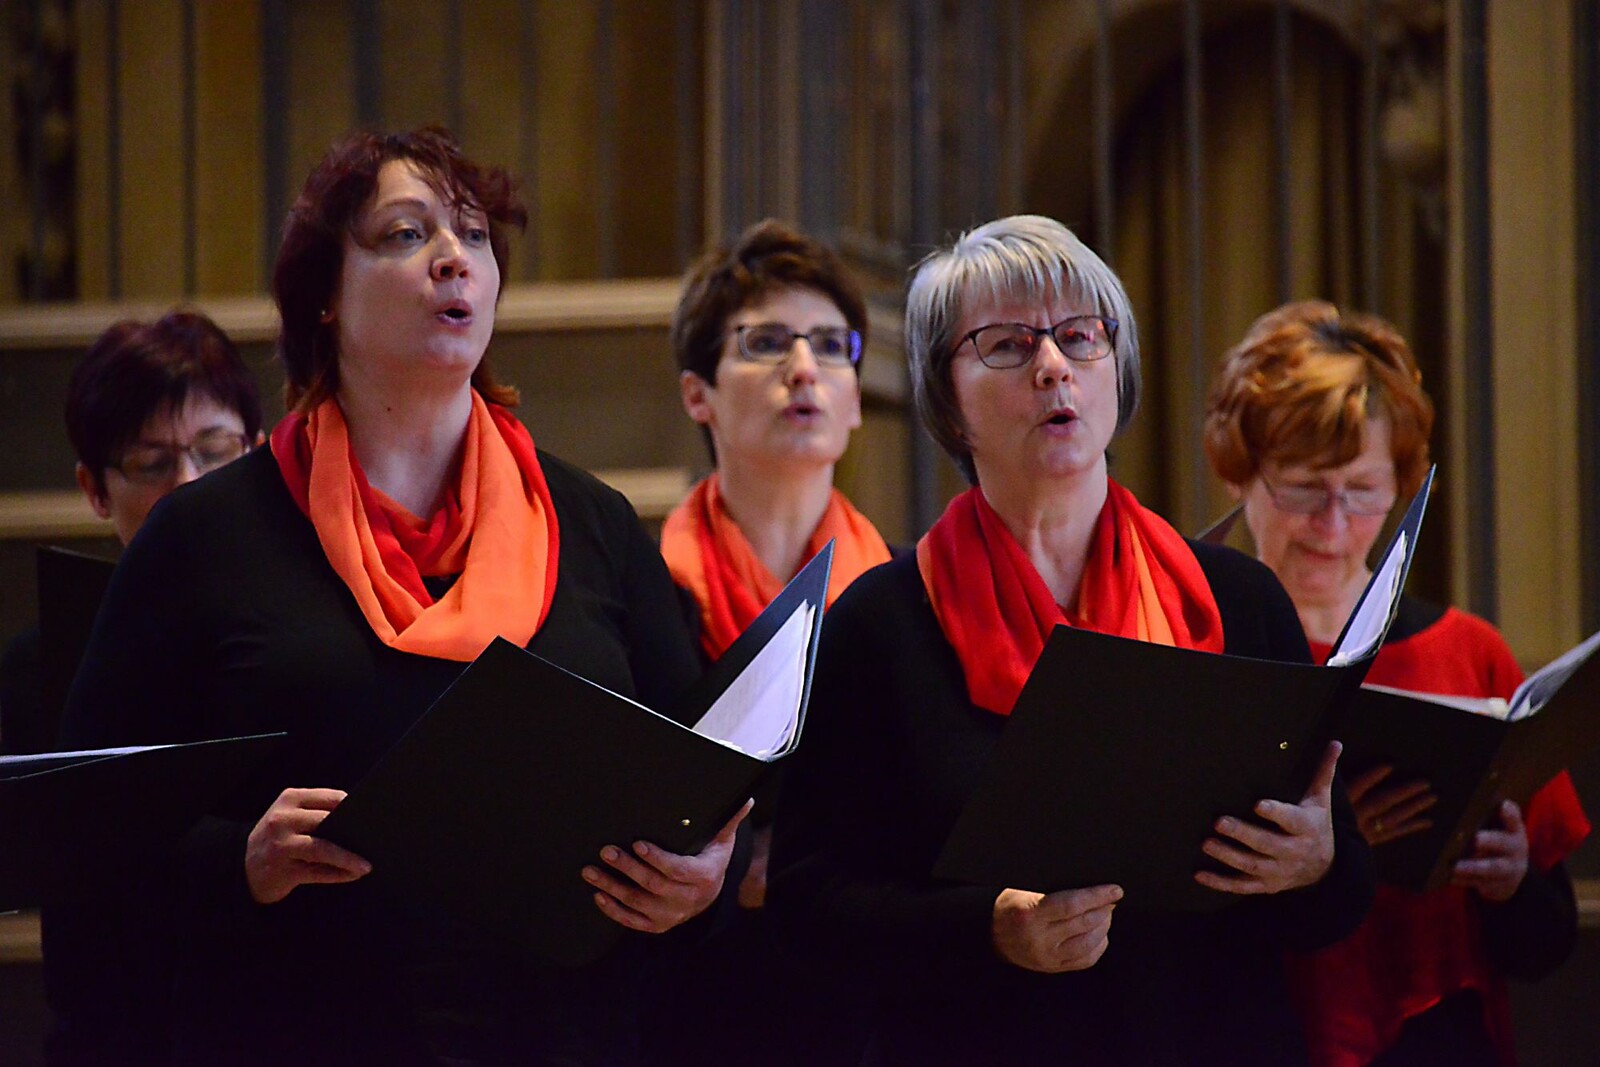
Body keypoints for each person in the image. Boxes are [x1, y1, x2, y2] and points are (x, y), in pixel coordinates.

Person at [46, 127, 743, 1067]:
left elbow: (697, 785)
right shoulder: (203, 537)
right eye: (406, 234)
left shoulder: (596, 524)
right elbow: (86, 844)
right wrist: (238, 862)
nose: (454, 257)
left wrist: (703, 876)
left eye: (473, 235)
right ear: (325, 297)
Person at [767, 215, 1374, 1066]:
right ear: (949, 399)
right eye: (1008, 344)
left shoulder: (1238, 601)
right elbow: (806, 908)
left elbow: (1335, 901)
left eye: (1081, 336)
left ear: (1115, 371)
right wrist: (988, 929)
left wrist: (1317, 864)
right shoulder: (880, 625)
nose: (1053, 364)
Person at [1203, 299, 1590, 1067]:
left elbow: (1549, 941)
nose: (1333, 523)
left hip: (1441, 1040)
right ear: (1242, 475)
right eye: (1303, 488)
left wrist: (1511, 881)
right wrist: (1337, 856)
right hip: (1259, 1034)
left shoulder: (1469, 653)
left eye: (1363, 491)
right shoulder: (1202, 646)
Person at [649, 221, 892, 1065]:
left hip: (864, 1005)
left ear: (855, 398)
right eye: (765, 342)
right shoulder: (646, 598)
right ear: (698, 394)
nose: (803, 367)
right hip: (688, 1005)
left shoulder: (904, 602)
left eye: (830, 345)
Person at [0, 310, 262, 756]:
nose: (187, 484)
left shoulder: (305, 636)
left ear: (258, 455)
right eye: (151, 464)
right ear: (94, 489)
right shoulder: (37, 669)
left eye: (215, 452)